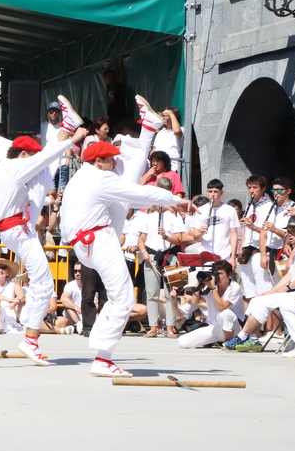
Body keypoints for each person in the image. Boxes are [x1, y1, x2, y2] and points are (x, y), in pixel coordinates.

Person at [60, 137, 195, 377]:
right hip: (98, 241)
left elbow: (131, 197)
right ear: (98, 161)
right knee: (123, 299)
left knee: (118, 298)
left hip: (85, 244)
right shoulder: (100, 178)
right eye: (111, 160)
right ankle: (103, 359)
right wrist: (176, 199)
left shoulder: (79, 178)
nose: (114, 164)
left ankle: (100, 346)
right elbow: (139, 191)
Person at [0, 128, 88, 364]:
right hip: (19, 230)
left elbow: (45, 162)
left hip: (17, 228)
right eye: (31, 157)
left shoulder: (7, 169)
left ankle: (66, 125)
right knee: (44, 284)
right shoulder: (14, 167)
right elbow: (43, 158)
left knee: (45, 169)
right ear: (23, 155)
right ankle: (30, 340)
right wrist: (72, 141)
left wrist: (64, 137)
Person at [223, 215, 295, 355]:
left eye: (294, 231)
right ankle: (251, 338)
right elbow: (290, 275)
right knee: (259, 299)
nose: (290, 235)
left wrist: (286, 288)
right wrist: (271, 291)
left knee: (286, 303)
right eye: (288, 232)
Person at [136, 180, 188, 338]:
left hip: (169, 255)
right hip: (152, 256)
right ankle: (153, 327)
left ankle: (170, 327)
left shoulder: (174, 217)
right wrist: (144, 252)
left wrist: (166, 236)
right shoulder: (148, 217)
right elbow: (141, 239)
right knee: (151, 293)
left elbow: (179, 239)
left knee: (170, 294)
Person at [177, 261, 244, 349]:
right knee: (183, 342)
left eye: (220, 273)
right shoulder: (210, 286)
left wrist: (213, 288)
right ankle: (218, 341)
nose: (217, 276)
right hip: (214, 327)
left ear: (229, 275)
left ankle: (228, 343)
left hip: (234, 329)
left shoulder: (234, 287)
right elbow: (195, 302)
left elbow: (221, 307)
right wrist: (199, 285)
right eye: (215, 273)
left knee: (225, 313)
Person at [182, 179, 240, 266]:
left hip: (224, 256)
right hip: (205, 255)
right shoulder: (200, 210)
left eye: (216, 192)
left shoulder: (230, 210)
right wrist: (201, 233)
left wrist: (233, 257)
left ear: (222, 193)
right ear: (207, 192)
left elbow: (234, 234)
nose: (212, 195)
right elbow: (196, 237)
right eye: (210, 191)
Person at [237, 174, 275, 299]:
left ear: (263, 189)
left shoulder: (269, 206)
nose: (251, 191)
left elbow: (268, 231)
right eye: (249, 187)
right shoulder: (250, 205)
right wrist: (241, 248)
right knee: (249, 291)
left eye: (255, 187)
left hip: (259, 250)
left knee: (263, 290)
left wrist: (253, 227)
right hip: (246, 251)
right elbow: (246, 231)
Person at [154, 106, 185, 171]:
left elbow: (177, 131)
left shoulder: (181, 129)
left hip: (172, 167)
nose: (162, 118)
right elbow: (154, 149)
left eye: (164, 115)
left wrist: (171, 114)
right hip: (158, 168)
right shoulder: (160, 132)